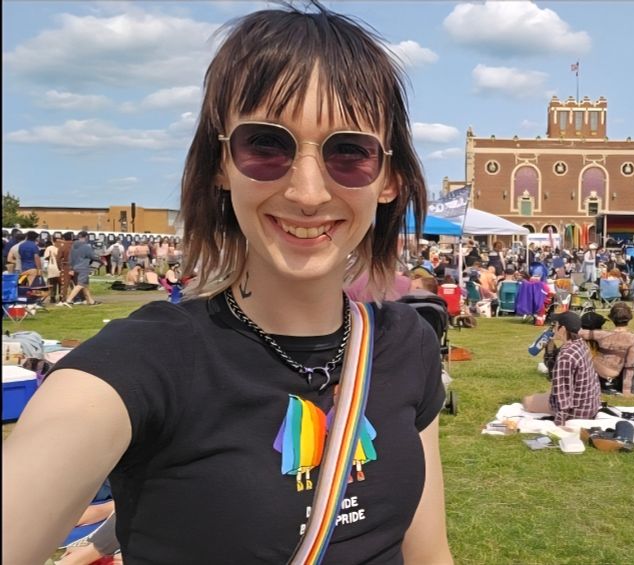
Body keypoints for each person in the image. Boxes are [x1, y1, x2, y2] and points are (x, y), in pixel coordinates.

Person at [3, 5, 452, 564]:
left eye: (348, 152)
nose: (308, 192)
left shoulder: (405, 344)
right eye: (266, 146)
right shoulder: (145, 364)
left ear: (389, 180)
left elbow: (430, 555)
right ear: (221, 163)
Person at [522, 311, 601, 425]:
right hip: (590, 404)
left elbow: (563, 394)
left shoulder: (566, 356)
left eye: (555, 325)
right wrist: (550, 344)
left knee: (526, 401)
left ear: (562, 329)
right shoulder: (581, 345)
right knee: (548, 394)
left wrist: (560, 422)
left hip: (576, 411)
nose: (553, 328)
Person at [582, 302, 634, 396]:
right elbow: (630, 366)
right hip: (615, 375)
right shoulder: (633, 338)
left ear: (612, 318)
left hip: (597, 373)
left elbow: (579, 332)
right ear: (629, 318)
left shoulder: (602, 335)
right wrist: (626, 390)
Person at [63, 231, 98, 306]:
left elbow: (70, 258)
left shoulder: (73, 246)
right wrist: (100, 260)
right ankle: (69, 300)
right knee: (81, 284)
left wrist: (71, 268)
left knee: (85, 285)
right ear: (86, 237)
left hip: (75, 267)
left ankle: (91, 301)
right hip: (83, 267)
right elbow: (93, 256)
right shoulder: (86, 246)